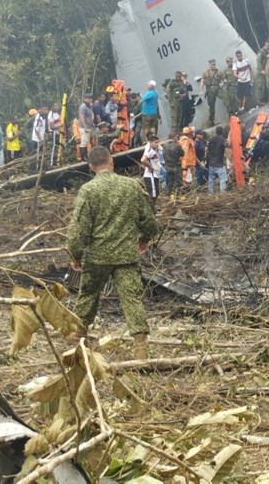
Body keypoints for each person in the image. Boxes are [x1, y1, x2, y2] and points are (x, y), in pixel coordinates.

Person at [67, 146, 159, 360]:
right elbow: (149, 221)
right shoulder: (132, 186)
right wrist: (144, 239)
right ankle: (140, 347)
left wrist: (75, 255)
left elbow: (79, 229)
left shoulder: (88, 191)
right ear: (112, 162)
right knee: (132, 298)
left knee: (88, 293)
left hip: (98, 256)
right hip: (126, 255)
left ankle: (78, 333)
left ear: (91, 167)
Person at [140, 137, 161, 206]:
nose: (157, 144)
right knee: (153, 194)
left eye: (158, 142)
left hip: (155, 175)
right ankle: (151, 209)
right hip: (151, 175)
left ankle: (153, 208)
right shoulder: (149, 150)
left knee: (156, 193)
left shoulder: (155, 150)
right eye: (155, 142)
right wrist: (150, 167)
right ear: (151, 142)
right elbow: (143, 160)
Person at [200, 61, 222, 127]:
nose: (214, 66)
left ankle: (231, 114)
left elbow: (223, 78)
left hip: (217, 88)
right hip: (210, 90)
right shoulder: (206, 73)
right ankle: (211, 121)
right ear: (209, 65)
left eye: (214, 64)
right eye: (212, 64)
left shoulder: (218, 72)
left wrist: (222, 83)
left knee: (226, 98)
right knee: (211, 106)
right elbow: (202, 81)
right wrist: (201, 90)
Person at [206, 127, 227, 193]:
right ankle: (222, 192)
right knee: (223, 178)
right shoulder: (223, 140)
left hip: (211, 163)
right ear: (222, 131)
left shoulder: (211, 139)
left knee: (211, 178)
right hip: (219, 163)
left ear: (216, 132)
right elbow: (227, 149)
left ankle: (210, 193)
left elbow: (206, 150)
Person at [77, 95, 96, 160]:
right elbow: (81, 117)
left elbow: (90, 116)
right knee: (84, 141)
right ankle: (84, 157)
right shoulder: (83, 107)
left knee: (88, 141)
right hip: (84, 127)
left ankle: (87, 156)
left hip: (89, 126)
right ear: (84, 99)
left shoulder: (89, 106)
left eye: (90, 98)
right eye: (87, 98)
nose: (89, 100)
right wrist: (85, 127)